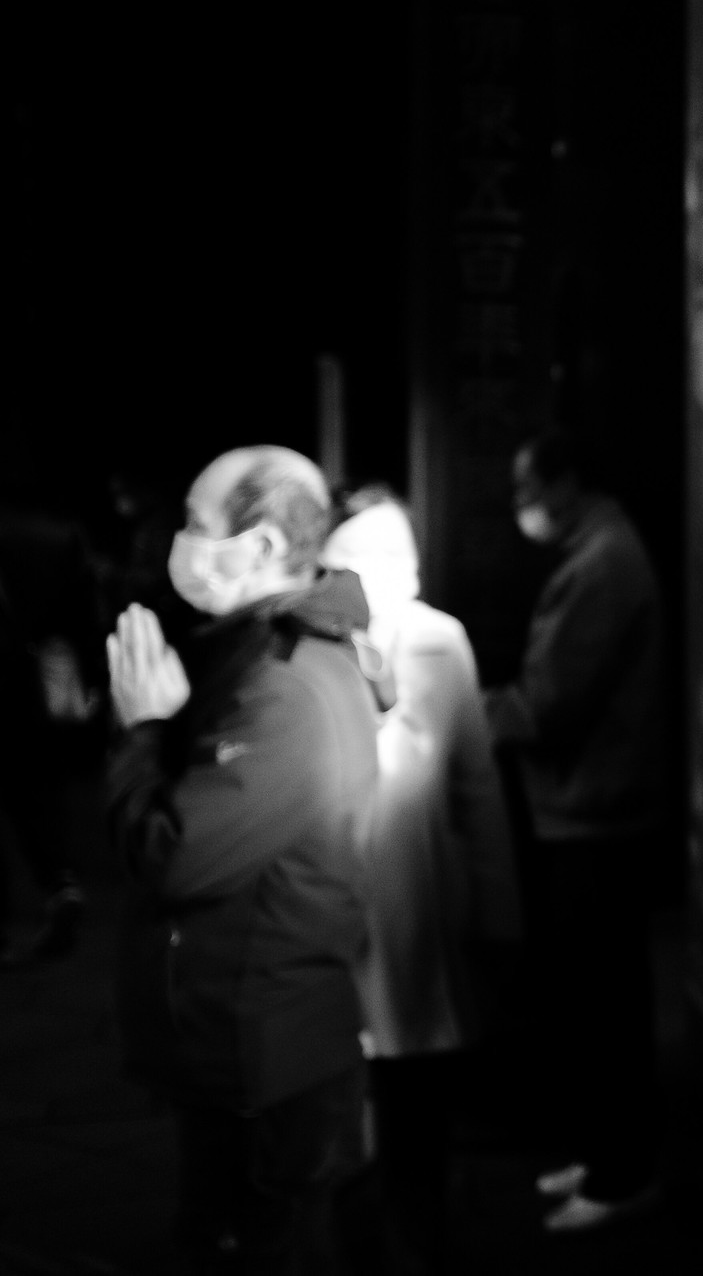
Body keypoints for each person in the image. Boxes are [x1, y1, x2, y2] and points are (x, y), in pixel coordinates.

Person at [104, 446, 381, 1274]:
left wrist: (140, 730)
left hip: (267, 1056)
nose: (179, 542)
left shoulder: (285, 686)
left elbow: (174, 857)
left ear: (260, 547)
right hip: (245, 1047)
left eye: (196, 522)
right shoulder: (260, 656)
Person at [323, 488, 523, 1269]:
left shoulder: (429, 639)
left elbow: (433, 778)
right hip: (347, 907)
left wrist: (498, 911)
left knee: (404, 1103)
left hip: (403, 911)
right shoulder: (328, 642)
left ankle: (413, 1240)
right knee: (366, 1103)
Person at [487, 430, 666, 1234]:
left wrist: (460, 706)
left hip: (596, 810)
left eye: (528, 485)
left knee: (606, 1005)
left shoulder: (602, 563)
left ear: (565, 481)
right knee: (596, 999)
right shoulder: (601, 549)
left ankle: (623, 1172)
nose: (520, 504)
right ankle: (601, 1156)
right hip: (590, 805)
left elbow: (548, 702)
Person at [0, 504, 103, 963]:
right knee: (37, 794)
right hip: (34, 686)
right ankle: (61, 885)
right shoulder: (57, 537)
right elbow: (85, 617)